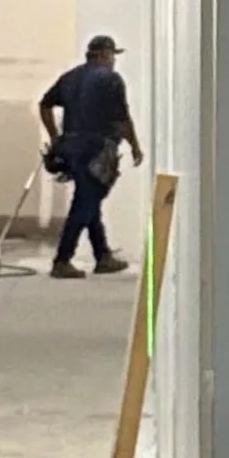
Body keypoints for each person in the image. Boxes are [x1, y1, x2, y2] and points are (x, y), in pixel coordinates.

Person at [38, 33, 144, 279]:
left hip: (71, 149)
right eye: (112, 56)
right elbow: (123, 118)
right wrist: (135, 146)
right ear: (104, 55)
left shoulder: (70, 77)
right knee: (85, 203)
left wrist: (56, 138)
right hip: (97, 149)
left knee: (89, 198)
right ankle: (62, 260)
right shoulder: (111, 79)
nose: (113, 61)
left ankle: (102, 256)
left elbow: (44, 105)